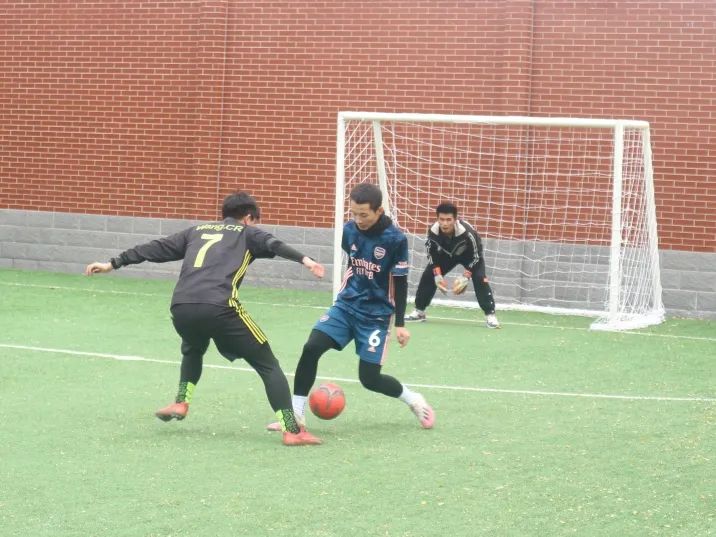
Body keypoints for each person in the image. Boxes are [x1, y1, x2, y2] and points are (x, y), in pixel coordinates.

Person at [84, 192, 323, 446]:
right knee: (268, 364)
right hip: (220, 306)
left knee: (193, 348)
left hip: (182, 306)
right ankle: (292, 430)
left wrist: (113, 263)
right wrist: (306, 260)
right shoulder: (247, 233)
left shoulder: (196, 231)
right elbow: (275, 244)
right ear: (248, 217)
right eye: (255, 221)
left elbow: (155, 247)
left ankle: (181, 402)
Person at [267, 183, 435, 431]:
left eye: (364, 214)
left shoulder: (395, 239)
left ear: (379, 211)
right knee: (311, 347)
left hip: (376, 316)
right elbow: (353, 263)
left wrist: (400, 323)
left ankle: (413, 400)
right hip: (346, 306)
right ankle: (296, 415)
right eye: (354, 213)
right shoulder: (349, 230)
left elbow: (400, 283)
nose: (358, 220)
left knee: (369, 379)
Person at [405, 202, 500, 328]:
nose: (444, 223)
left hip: (471, 258)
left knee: (480, 278)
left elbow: (477, 255)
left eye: (448, 220)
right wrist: (437, 274)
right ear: (437, 219)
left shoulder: (467, 232)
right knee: (428, 275)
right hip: (447, 255)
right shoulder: (433, 231)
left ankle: (490, 315)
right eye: (441, 219)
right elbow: (431, 253)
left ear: (455, 220)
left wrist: (466, 276)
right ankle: (419, 311)